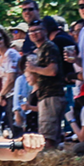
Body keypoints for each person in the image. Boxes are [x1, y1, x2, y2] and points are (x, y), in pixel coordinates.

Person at [24, 20, 66, 148]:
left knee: (48, 138)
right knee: (50, 135)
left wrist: (33, 68)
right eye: (31, 31)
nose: (34, 34)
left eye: (38, 30)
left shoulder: (49, 46)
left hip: (51, 95)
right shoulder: (41, 49)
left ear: (45, 31)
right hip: (46, 96)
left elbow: (53, 71)